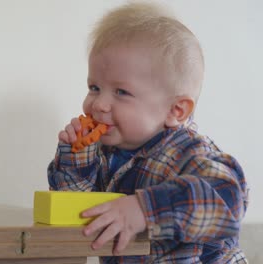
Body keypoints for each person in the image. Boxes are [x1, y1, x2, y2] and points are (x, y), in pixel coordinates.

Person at [47, 2, 249, 263]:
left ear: (176, 110)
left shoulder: (189, 153)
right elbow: (76, 211)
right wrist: (76, 159)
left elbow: (228, 200)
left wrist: (144, 209)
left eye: (121, 92)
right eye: (94, 87)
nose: (98, 104)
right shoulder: (104, 153)